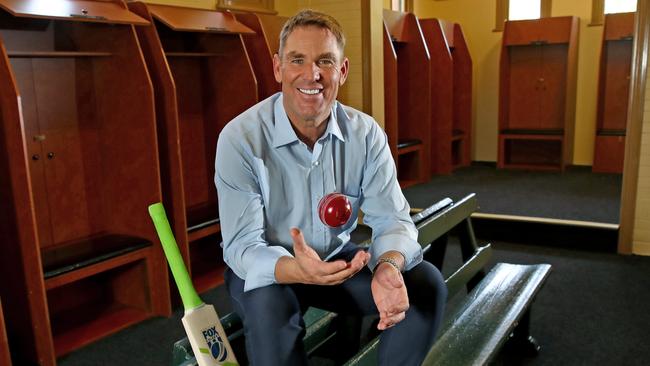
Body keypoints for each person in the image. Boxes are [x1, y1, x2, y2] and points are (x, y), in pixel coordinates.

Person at [215, 9, 447, 365]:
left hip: (335, 262)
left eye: (325, 61)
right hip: (268, 268)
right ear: (278, 68)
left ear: (343, 70)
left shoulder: (366, 134)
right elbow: (243, 247)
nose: (313, 74)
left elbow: (394, 220)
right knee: (270, 314)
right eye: (298, 60)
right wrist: (296, 269)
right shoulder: (240, 139)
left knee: (425, 285)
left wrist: (388, 266)